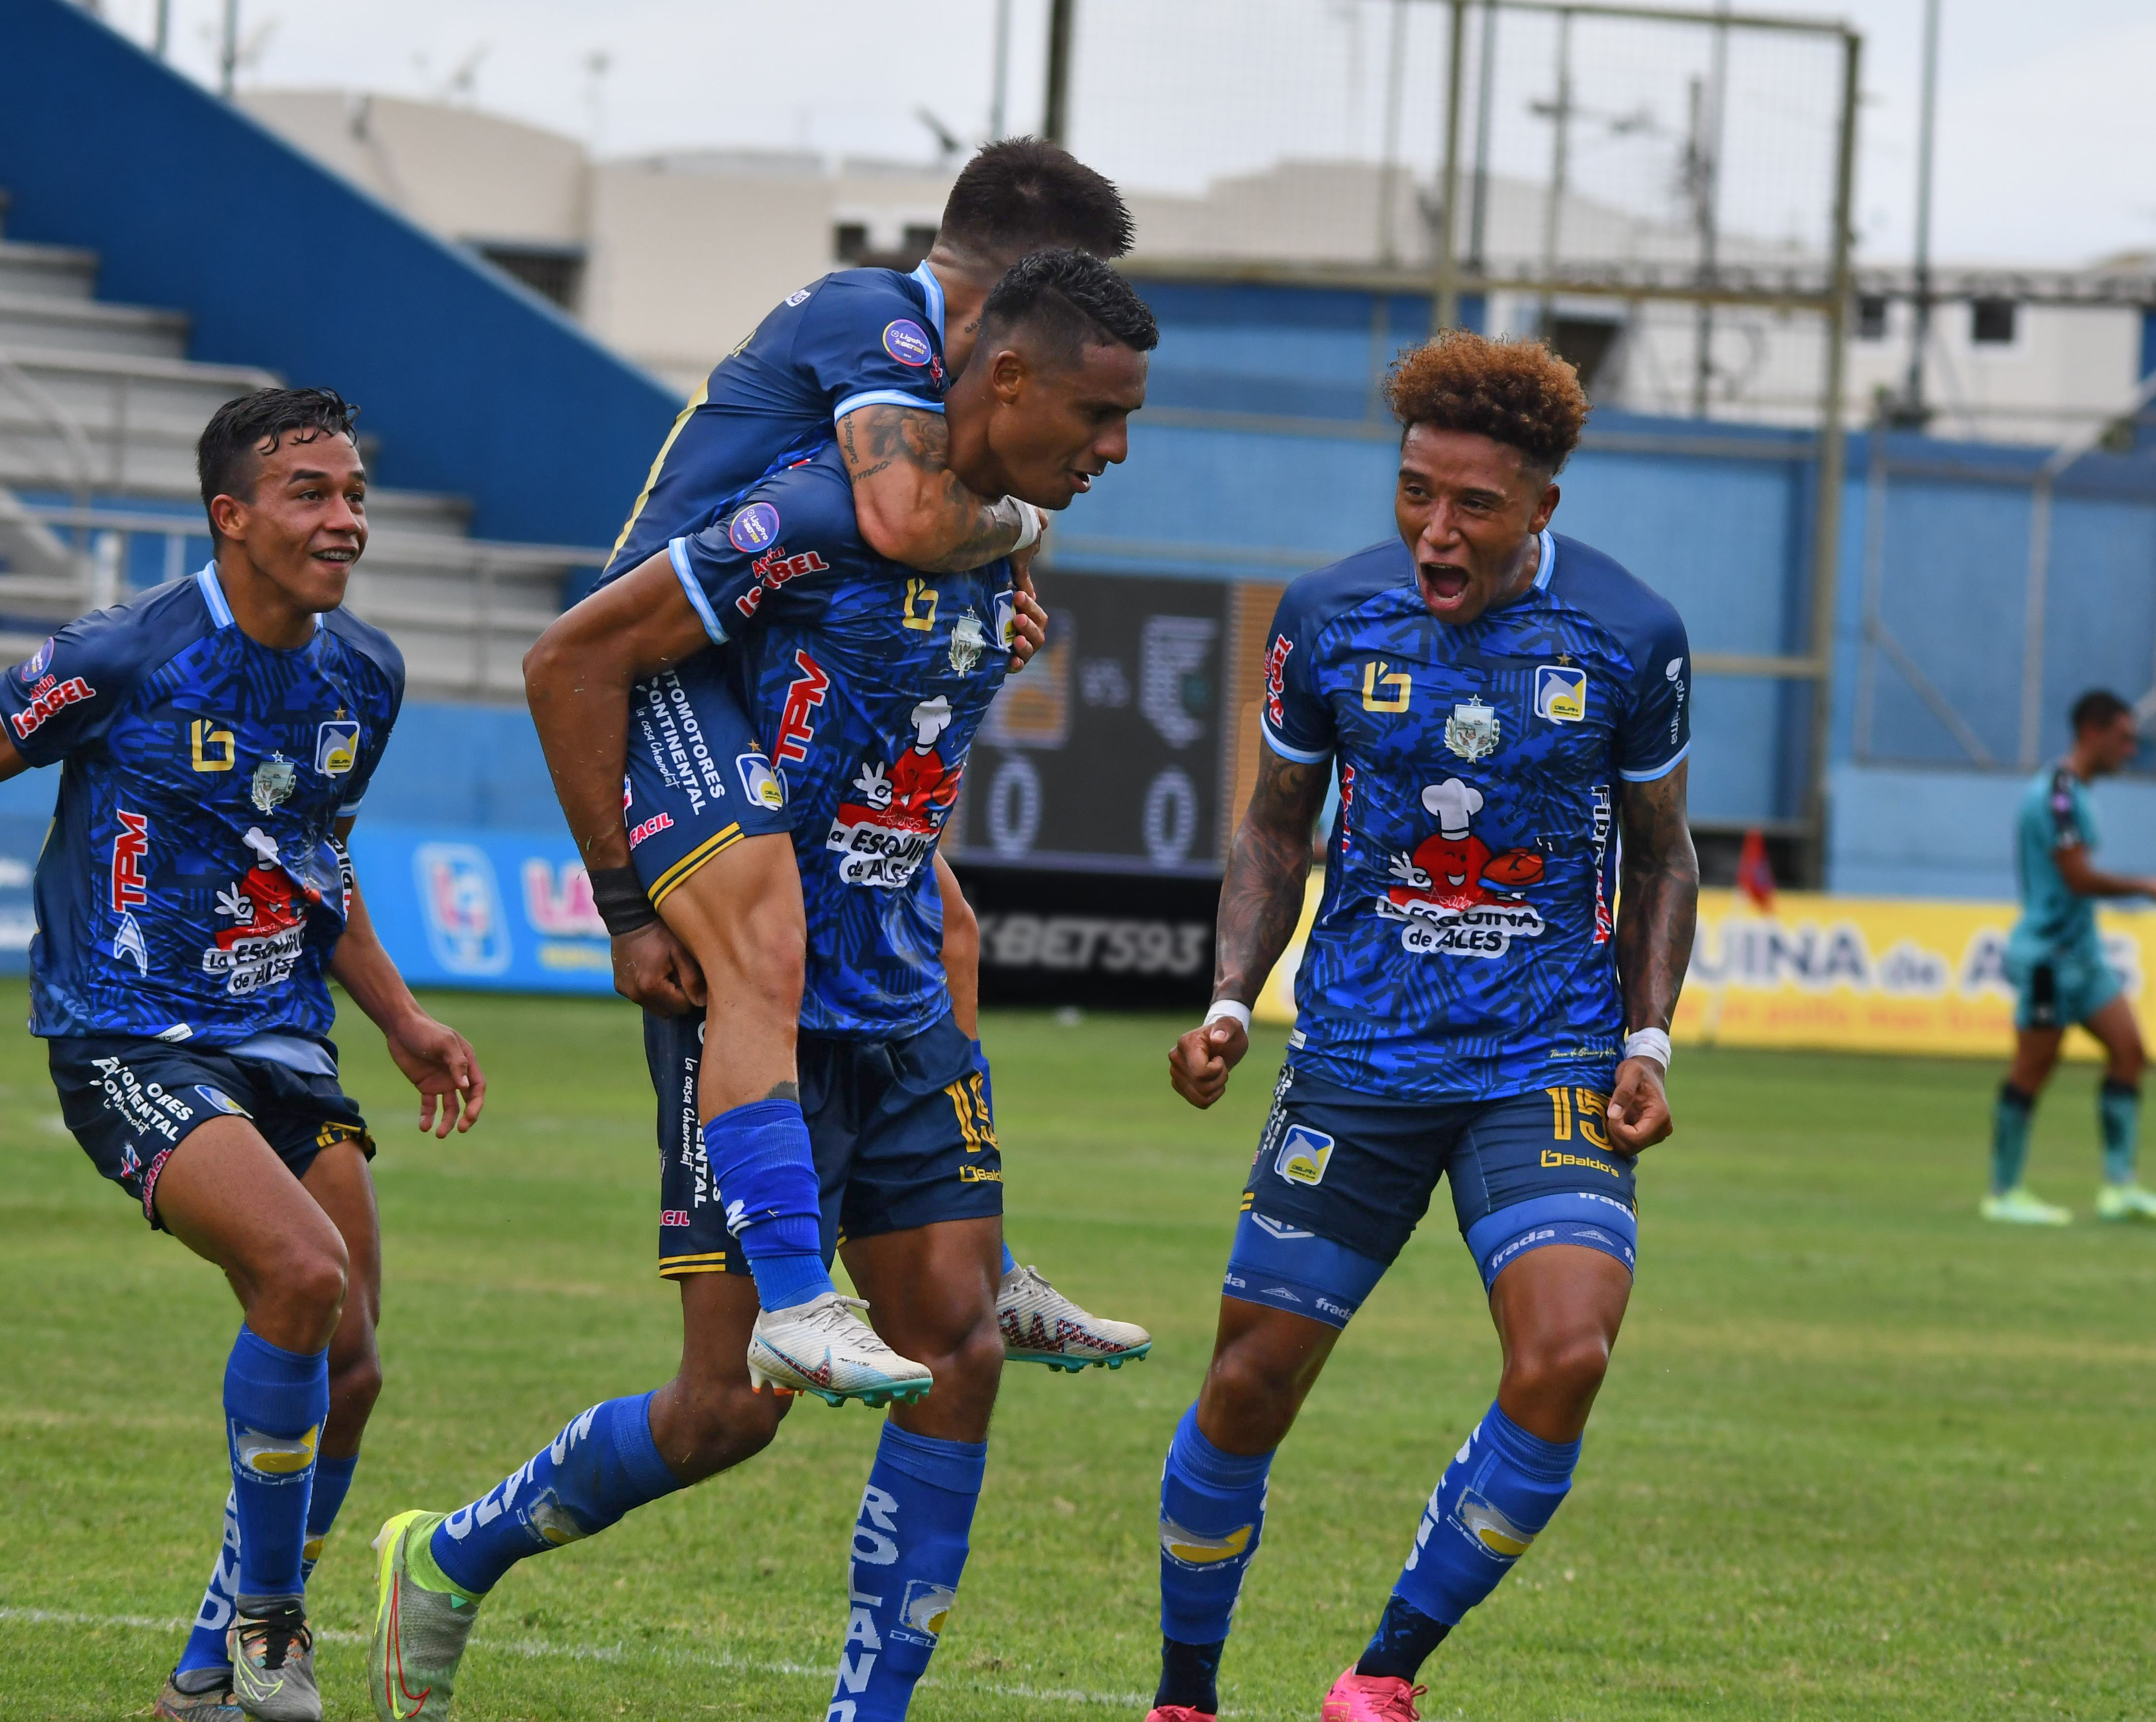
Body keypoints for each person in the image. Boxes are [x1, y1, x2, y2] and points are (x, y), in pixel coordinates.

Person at [370, 251, 1157, 1722]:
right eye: (1099, 416)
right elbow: (583, 658)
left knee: (960, 1351)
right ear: (1004, 380)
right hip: (753, 990)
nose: (1114, 451)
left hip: (894, 984)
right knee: (726, 1412)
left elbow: (902, 757)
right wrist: (631, 898)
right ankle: (449, 1555)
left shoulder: (1001, 553)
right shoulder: (805, 518)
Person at [0, 389, 486, 1722]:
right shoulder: (128, 653)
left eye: (355, 492)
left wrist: (402, 1016)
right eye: (310, 493)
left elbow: (312, 856)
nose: (344, 519)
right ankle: (267, 1635)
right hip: (126, 1035)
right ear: (231, 517)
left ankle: (204, 1679)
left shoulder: (365, 672)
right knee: (300, 1274)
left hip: (281, 1041)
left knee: (354, 1364)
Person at [1146, 330, 1699, 1722]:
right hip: (1355, 1062)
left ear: (1542, 511)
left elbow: (1663, 854)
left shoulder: (1631, 635)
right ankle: (1184, 1696)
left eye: (1473, 507)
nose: (1434, 533)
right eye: (1412, 495)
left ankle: (1382, 1674)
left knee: (1567, 1351)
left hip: (1545, 1060)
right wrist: (1228, 999)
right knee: (1250, 1384)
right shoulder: (1325, 618)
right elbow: (1275, 827)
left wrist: (1646, 1041)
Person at [570, 137, 1153, 1398]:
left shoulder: (923, 378)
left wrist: (999, 569)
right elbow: (895, 519)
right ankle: (794, 1295)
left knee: (947, 927)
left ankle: (982, 1252)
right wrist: (1024, 530)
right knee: (769, 947)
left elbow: (927, 516)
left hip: (746, 646)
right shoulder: (872, 314)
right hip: (670, 657)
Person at [1985, 688, 2156, 1225]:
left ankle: (2118, 1186)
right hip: (2046, 958)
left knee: (2130, 1052)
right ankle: (2002, 1191)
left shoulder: (2078, 793)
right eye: (2123, 738)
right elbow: (2076, 876)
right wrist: (2143, 886)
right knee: (2033, 1067)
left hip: (2081, 957)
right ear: (2092, 732)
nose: (2129, 750)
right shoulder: (2057, 795)